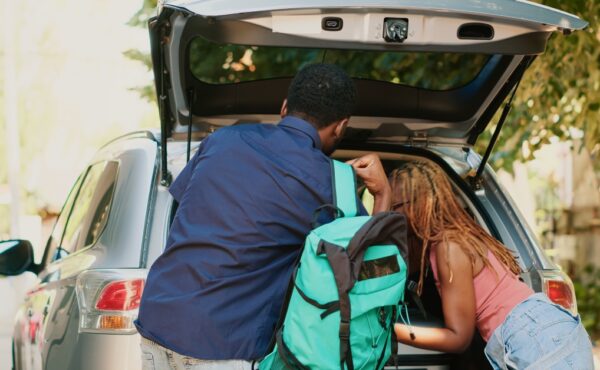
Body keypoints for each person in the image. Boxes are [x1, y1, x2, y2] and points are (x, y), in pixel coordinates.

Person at [134, 64, 392, 369]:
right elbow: (371, 270)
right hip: (225, 344)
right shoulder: (334, 182)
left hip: (158, 321)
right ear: (340, 127)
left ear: (284, 108)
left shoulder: (221, 140)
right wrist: (382, 193)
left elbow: (187, 210)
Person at [390, 161, 593, 370]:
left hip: (535, 340)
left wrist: (388, 331)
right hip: (550, 330)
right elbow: (389, 255)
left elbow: (459, 338)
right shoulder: (455, 236)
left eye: (394, 206)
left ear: (419, 203)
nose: (390, 213)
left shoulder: (449, 247)